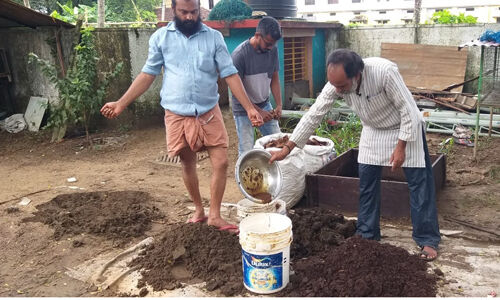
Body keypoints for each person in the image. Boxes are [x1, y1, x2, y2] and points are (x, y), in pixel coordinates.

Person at [100, 0, 263, 233]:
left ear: (199, 10)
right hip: (176, 113)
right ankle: (199, 209)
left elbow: (230, 74)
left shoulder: (214, 38)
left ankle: (215, 215)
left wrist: (249, 108)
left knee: (221, 161)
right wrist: (121, 103)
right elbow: (148, 74)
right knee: (187, 162)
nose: (189, 17)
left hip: (208, 111)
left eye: (194, 12)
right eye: (184, 12)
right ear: (173, 11)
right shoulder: (160, 38)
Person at [269, 49, 441, 260]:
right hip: (373, 130)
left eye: (342, 86)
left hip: (403, 128)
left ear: (357, 74)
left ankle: (427, 238)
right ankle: (368, 234)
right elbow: (315, 114)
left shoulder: (384, 72)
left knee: (419, 183)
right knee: (367, 183)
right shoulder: (336, 85)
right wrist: (287, 148)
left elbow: (409, 111)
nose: (338, 91)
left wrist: (401, 147)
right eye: (334, 85)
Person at [231, 16, 283, 156]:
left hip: (265, 105)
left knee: (279, 142)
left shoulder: (272, 50)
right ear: (257, 35)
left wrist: (278, 105)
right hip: (243, 109)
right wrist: (257, 111)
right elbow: (237, 91)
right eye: (268, 43)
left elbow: (274, 78)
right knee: (246, 151)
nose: (271, 47)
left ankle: (277, 176)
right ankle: (242, 178)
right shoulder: (239, 55)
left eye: (273, 44)